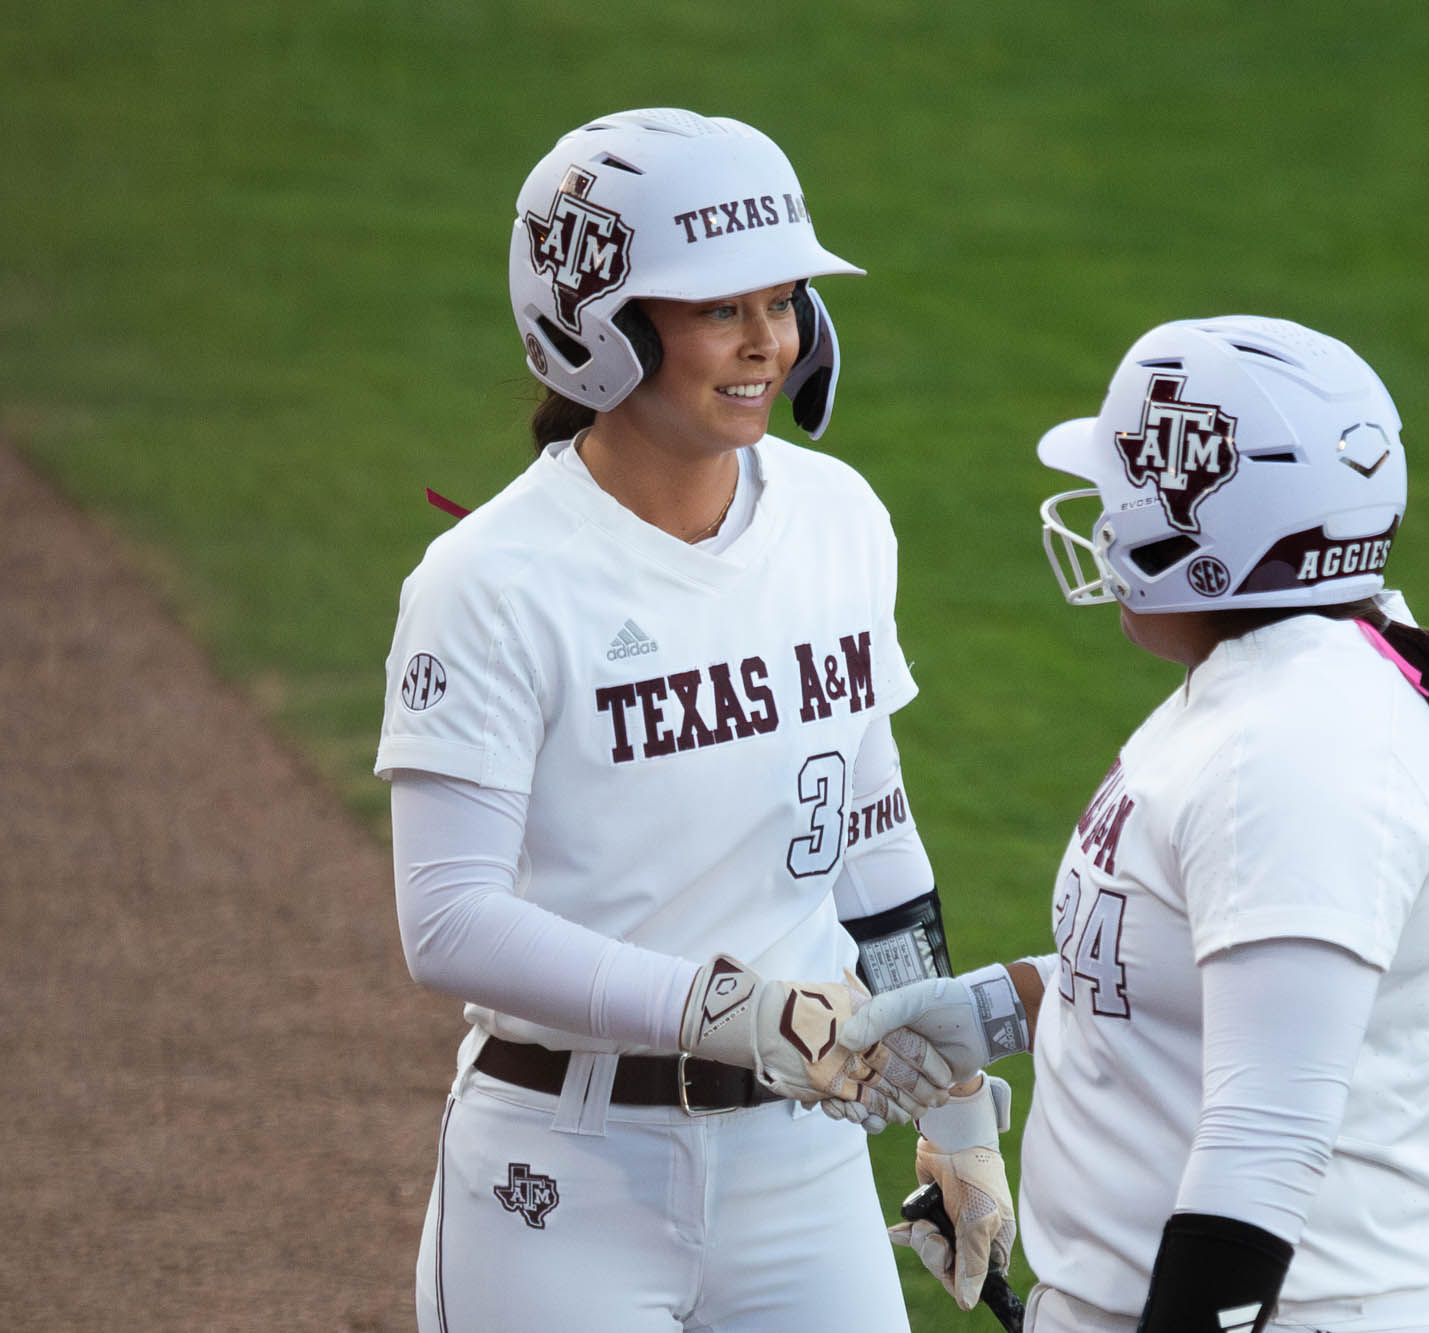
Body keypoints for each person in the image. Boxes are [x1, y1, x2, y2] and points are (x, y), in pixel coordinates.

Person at [375, 107, 998, 1333]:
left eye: (782, 302)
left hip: (800, 1169)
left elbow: (869, 833)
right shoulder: (490, 580)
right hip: (561, 1177)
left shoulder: (838, 519)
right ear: (595, 325)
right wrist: (730, 1010)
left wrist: (956, 1102)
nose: (766, 343)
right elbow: (446, 921)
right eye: (719, 309)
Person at [843, 315, 1429, 1333]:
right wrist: (997, 1007)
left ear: (1212, 522)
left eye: (1124, 487)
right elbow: (1202, 976)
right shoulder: (1276, 686)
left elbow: (1262, 1150)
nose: (1103, 516)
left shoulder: (1294, 753)